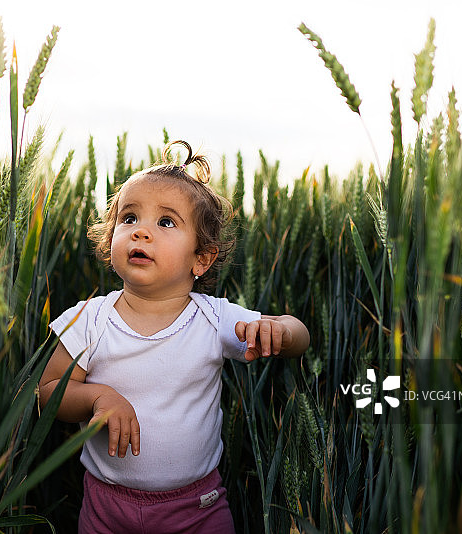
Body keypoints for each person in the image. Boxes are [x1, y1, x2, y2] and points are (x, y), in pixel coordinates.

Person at [38, 140, 310, 533]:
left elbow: (299, 335)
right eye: (129, 218)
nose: (141, 232)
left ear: (201, 258)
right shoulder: (88, 319)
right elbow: (48, 391)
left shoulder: (213, 318)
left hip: (197, 508)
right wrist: (99, 397)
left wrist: (279, 331)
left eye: (166, 223)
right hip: (107, 507)